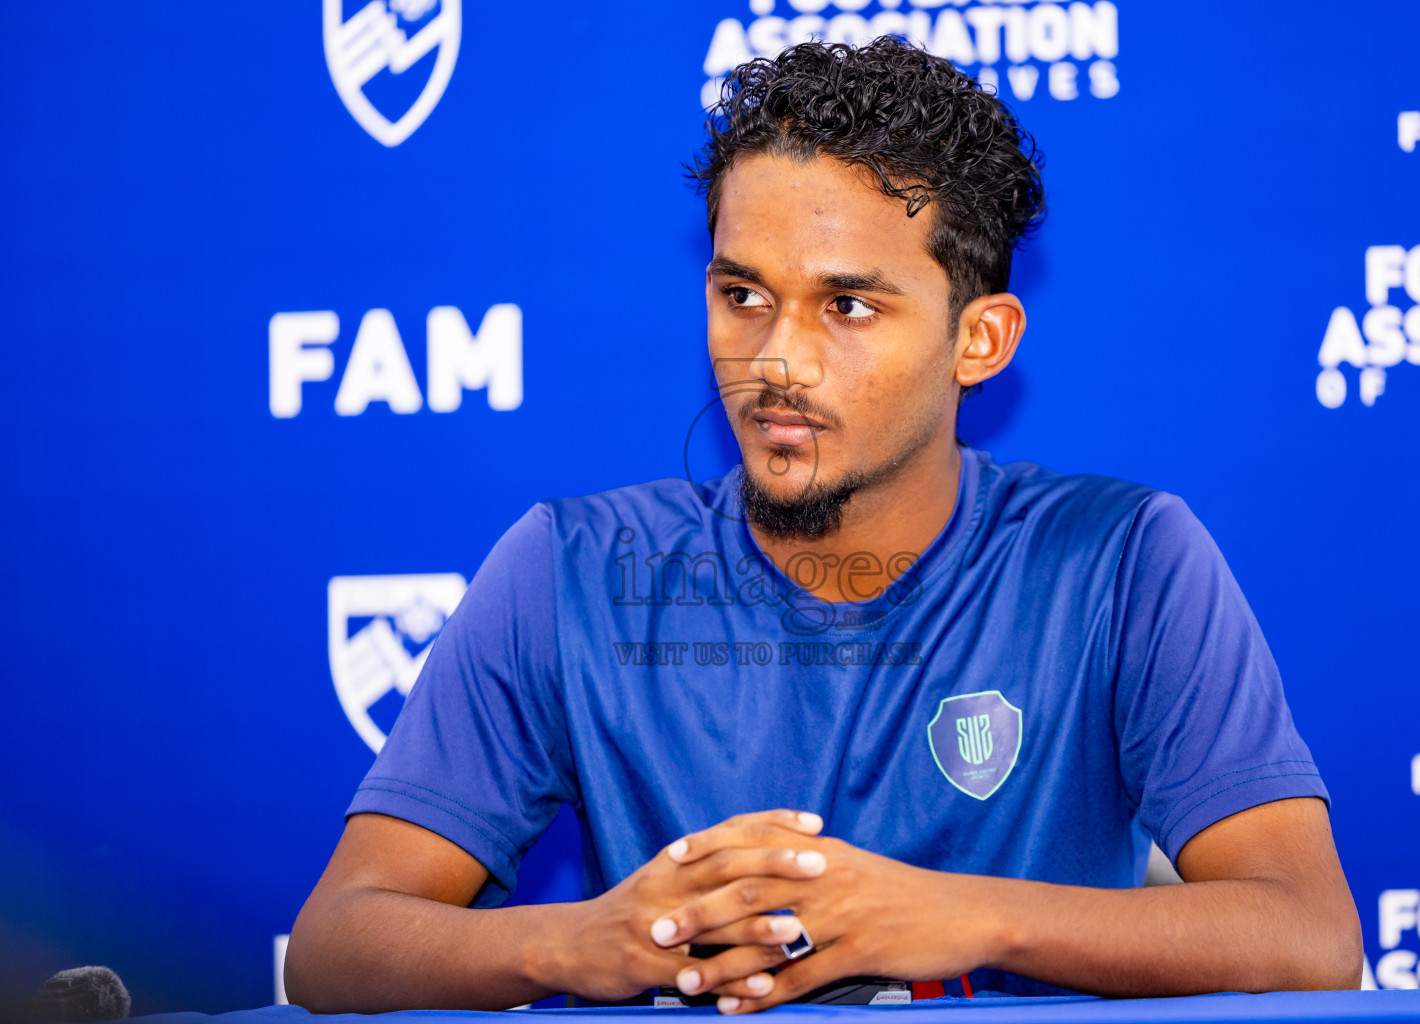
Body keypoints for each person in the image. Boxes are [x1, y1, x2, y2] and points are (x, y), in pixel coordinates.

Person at [284, 37, 1362, 1013]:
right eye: (743, 295)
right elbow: (336, 946)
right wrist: (582, 941)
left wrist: (963, 913)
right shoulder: (573, 569)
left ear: (978, 341)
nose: (775, 361)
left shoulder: (1122, 560)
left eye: (847, 306)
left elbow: (1308, 934)